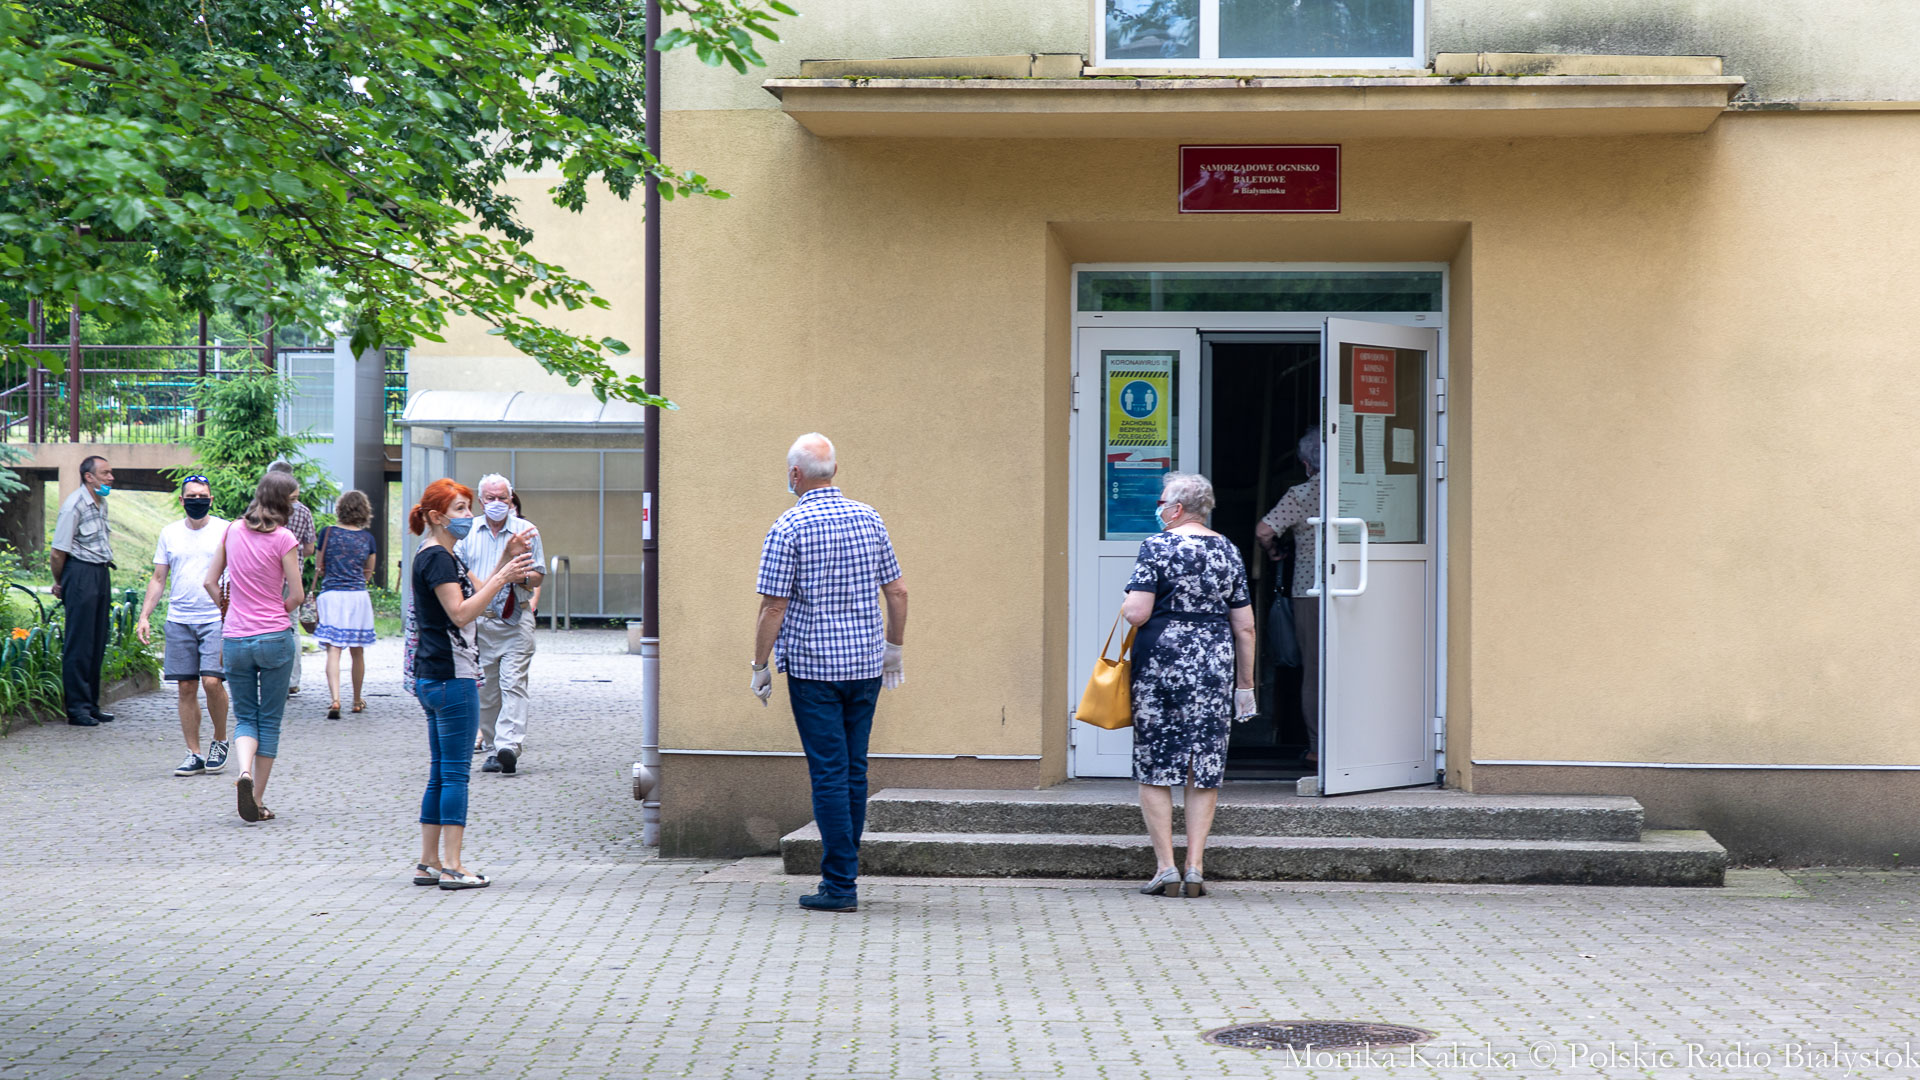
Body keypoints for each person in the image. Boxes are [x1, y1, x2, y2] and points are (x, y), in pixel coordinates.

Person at [752, 433, 908, 914]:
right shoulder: (869, 517)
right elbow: (897, 592)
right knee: (853, 771)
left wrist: (760, 665)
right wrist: (894, 648)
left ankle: (840, 886)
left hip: (814, 669)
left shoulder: (789, 525)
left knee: (829, 774)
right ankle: (843, 876)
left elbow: (773, 606)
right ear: (834, 471)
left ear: (795, 475)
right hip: (865, 665)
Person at [1120, 472, 1256, 899]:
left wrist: (1127, 601)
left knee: (1155, 761)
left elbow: (1137, 613)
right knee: (1204, 765)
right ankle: (1196, 866)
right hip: (1214, 662)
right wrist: (1245, 685)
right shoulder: (1228, 551)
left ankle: (1166, 868)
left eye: (1162, 503)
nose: (1159, 509)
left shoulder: (1156, 547)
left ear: (1176, 509)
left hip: (1163, 660)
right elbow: (1246, 626)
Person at [409, 478, 537, 890]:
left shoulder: (443, 555)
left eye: (468, 508)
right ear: (436, 517)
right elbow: (462, 613)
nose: (470, 516)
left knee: (440, 773)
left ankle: (428, 863)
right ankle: (453, 865)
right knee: (455, 775)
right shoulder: (439, 560)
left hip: (435, 676)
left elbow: (480, 591)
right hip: (452, 677)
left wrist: (504, 559)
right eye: (462, 509)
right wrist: (504, 578)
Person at [202, 471, 304, 823]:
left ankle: (243, 771)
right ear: (281, 501)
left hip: (236, 639)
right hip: (275, 637)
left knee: (246, 717)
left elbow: (209, 581)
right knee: (270, 720)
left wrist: (228, 610)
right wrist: (279, 611)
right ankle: (257, 800)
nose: (296, 504)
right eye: (293, 499)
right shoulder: (284, 538)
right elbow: (298, 595)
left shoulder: (231, 530)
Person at [137, 474, 232, 776]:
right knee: (186, 686)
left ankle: (220, 739)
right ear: (181, 500)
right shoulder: (170, 533)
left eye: (202, 496)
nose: (197, 501)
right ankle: (194, 752)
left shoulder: (225, 530)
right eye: (191, 497)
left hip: (215, 617)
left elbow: (237, 571)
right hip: (179, 618)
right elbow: (158, 578)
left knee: (212, 682)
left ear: (211, 498)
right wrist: (144, 616)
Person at [455, 474, 543, 774]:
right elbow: (463, 576)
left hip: (516, 619)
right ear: (481, 501)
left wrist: (524, 577)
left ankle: (509, 746)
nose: (496, 504)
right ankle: (494, 748)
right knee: (487, 691)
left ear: (511, 499)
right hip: (481, 623)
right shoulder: (467, 533)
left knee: (513, 683)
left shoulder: (527, 531)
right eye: (490, 499)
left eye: (502, 498)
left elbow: (539, 575)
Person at [1254, 430, 1323, 764]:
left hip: (1311, 591)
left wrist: (1273, 553)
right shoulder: (1354, 489)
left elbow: (1263, 530)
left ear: (1307, 463)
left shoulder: (1301, 494)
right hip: (1359, 584)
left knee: (1314, 669)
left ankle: (1317, 747)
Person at [50, 455, 116, 727]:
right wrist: (61, 581)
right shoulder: (74, 505)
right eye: (105, 473)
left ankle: (91, 705)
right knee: (79, 644)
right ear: (89, 477)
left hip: (100, 572)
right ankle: (77, 709)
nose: (111, 477)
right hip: (80, 574)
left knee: (97, 641)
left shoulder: (101, 503)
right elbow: (57, 552)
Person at [314, 489, 380, 719]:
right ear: (364, 511)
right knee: (357, 651)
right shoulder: (367, 539)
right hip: (357, 597)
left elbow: (319, 566)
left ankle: (335, 699)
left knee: (334, 649)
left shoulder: (327, 533)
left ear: (340, 508)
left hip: (332, 595)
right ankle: (356, 699)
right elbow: (368, 573)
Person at [267, 461, 316, 698]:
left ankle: (267, 677)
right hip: (292, 576)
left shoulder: (264, 508)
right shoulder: (304, 511)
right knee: (290, 627)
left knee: (265, 624)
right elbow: (309, 549)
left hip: (265, 576)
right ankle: (292, 680)